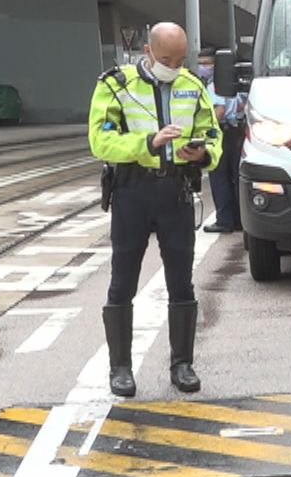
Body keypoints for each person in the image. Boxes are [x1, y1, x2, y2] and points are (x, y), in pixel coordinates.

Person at [88, 22, 223, 397]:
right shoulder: (116, 85)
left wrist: (202, 154)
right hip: (132, 191)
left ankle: (182, 365)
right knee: (123, 280)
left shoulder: (192, 86)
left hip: (175, 192)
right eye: (166, 59)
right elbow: (100, 140)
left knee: (181, 281)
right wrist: (148, 142)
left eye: (180, 60)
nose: (173, 67)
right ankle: (120, 369)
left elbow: (213, 134)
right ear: (147, 51)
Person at [195, 48, 246, 233]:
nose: (202, 68)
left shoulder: (215, 85)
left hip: (222, 133)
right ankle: (239, 219)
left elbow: (219, 110)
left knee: (219, 179)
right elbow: (241, 105)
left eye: (206, 64)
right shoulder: (236, 83)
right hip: (237, 131)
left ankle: (224, 220)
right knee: (235, 178)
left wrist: (205, 131)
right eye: (200, 64)